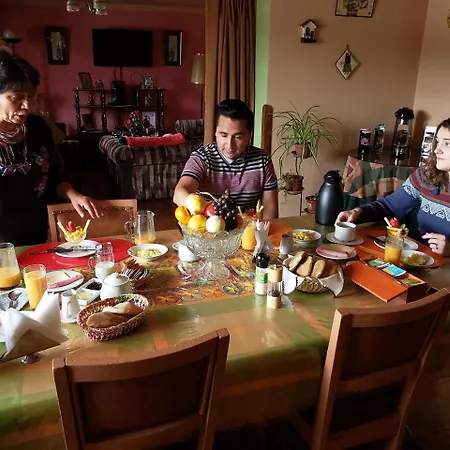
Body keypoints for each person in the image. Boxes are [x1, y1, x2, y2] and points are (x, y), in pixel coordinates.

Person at [0, 50, 99, 245]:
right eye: (16, 97)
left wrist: (73, 195)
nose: (27, 105)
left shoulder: (37, 127)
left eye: (31, 96)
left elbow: (54, 176)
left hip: (36, 234)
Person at [337, 118, 450, 256]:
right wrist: (358, 212)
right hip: (417, 257)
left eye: (447, 143)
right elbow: (390, 206)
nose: (437, 150)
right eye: (437, 142)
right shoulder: (426, 176)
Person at [173, 99, 279, 220]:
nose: (230, 145)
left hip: (248, 228)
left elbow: (270, 213)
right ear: (215, 132)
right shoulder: (202, 158)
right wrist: (206, 210)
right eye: (223, 135)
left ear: (249, 135)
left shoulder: (262, 161)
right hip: (208, 228)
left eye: (238, 137)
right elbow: (180, 193)